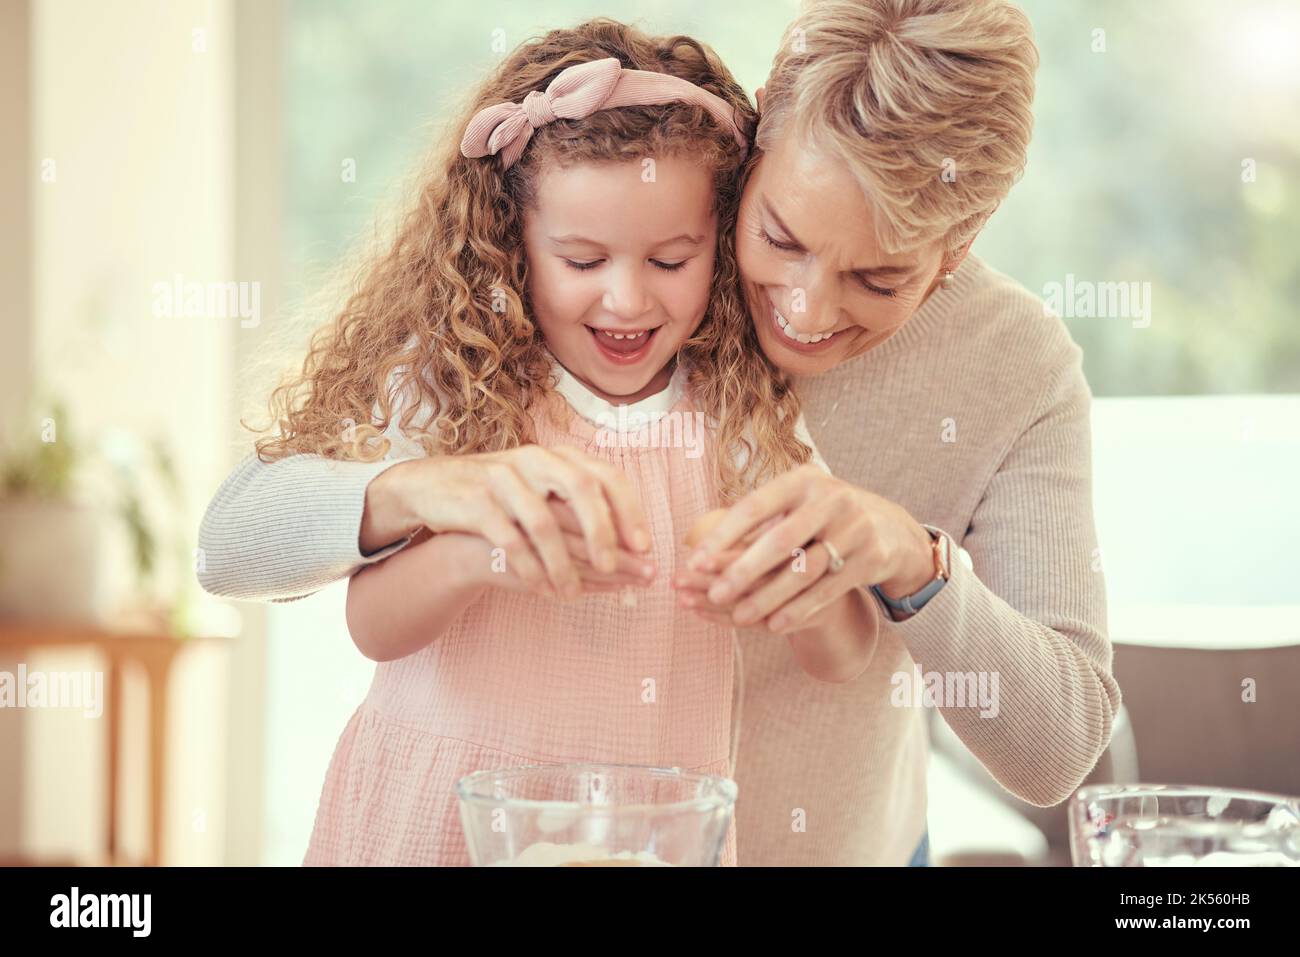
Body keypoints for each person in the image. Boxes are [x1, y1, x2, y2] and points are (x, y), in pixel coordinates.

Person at [200, 0, 1120, 867]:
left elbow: (1058, 746)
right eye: (779, 235)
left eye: (877, 280)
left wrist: (904, 562)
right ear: (757, 140)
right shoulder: (565, 297)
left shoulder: (1011, 367)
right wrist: (431, 500)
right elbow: (236, 542)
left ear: (958, 245)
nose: (802, 311)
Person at [241, 19, 875, 866]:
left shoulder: (742, 408)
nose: (626, 299)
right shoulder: (457, 387)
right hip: (440, 826)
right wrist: (481, 551)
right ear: (515, 248)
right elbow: (371, 623)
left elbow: (846, 652)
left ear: (719, 248)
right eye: (582, 259)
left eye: (671, 258)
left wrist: (799, 584)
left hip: (653, 841)